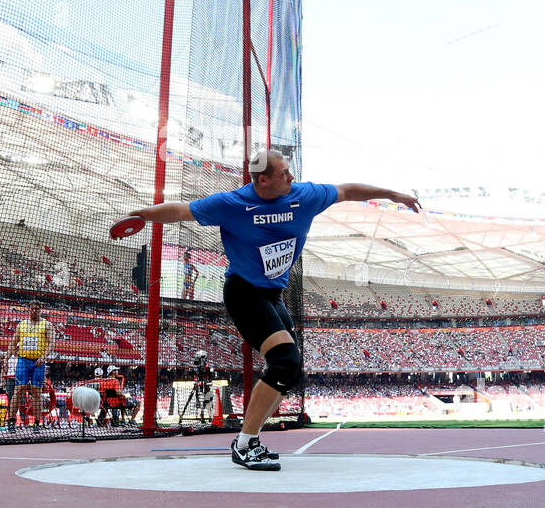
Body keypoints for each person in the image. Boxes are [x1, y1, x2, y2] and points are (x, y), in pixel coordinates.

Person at [123, 148, 419, 470]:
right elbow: (180, 211)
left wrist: (392, 194)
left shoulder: (303, 196)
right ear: (263, 180)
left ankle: (250, 440)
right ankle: (245, 443)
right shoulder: (233, 203)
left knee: (289, 369)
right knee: (284, 361)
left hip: (273, 296)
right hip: (244, 293)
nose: (291, 177)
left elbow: (347, 191)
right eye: (283, 174)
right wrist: (139, 215)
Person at [6, 301, 53, 432]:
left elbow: (51, 344)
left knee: (36, 391)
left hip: (38, 362)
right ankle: (11, 421)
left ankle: (37, 423)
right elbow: (13, 343)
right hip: (23, 361)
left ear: (40, 310)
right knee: (18, 389)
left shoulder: (47, 325)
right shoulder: (21, 325)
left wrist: (43, 357)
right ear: (28, 310)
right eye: (32, 309)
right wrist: (6, 359)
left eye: (37, 309)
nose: (34, 311)